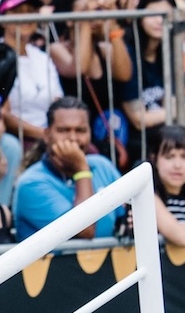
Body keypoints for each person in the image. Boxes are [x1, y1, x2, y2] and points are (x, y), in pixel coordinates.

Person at [13, 96, 123, 240]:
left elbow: (125, 215)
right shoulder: (31, 183)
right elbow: (85, 231)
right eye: (63, 130)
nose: (73, 138)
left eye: (81, 130)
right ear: (47, 135)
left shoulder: (103, 166)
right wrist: (82, 171)